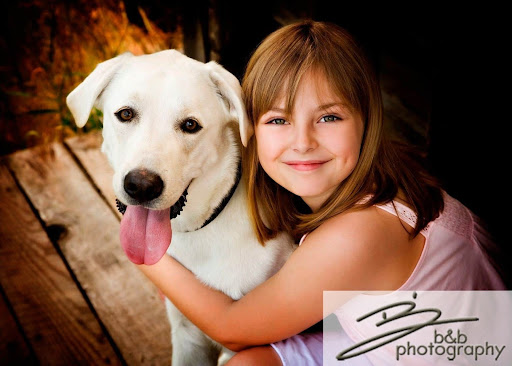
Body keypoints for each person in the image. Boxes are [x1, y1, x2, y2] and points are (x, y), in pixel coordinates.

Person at [135, 20, 506, 365]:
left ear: (367, 119)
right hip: (390, 334)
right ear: (252, 129)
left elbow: (232, 329)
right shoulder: (378, 176)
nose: (303, 142)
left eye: (329, 117)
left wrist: (146, 251)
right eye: (279, 120)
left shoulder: (359, 233)